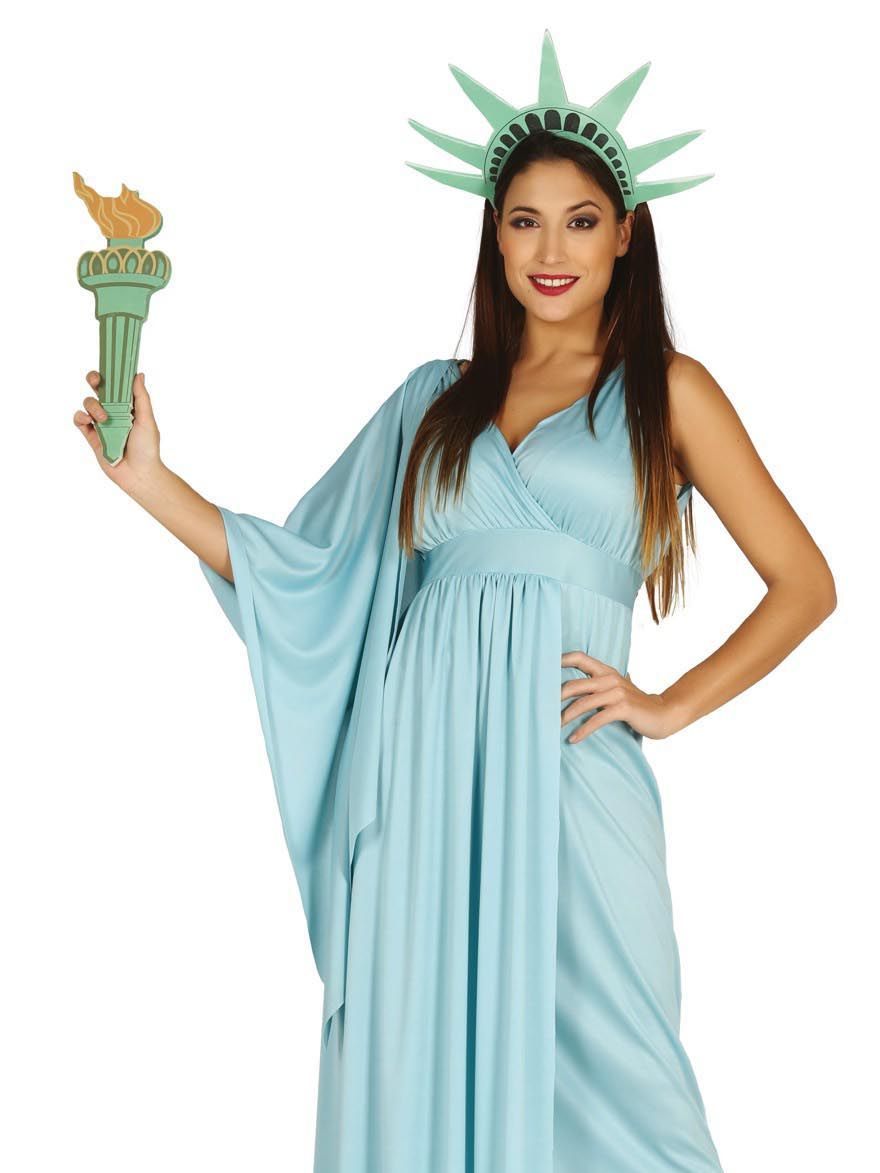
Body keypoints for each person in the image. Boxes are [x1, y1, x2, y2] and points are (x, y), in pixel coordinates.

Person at [72, 32, 836, 1173]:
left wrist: (667, 703)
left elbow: (806, 584)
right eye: (525, 221)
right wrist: (150, 482)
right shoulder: (432, 401)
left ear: (625, 234)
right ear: (495, 233)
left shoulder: (667, 393)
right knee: (419, 1073)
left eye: (580, 220)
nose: (551, 250)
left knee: (640, 1104)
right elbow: (306, 576)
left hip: (573, 772)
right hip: (425, 786)